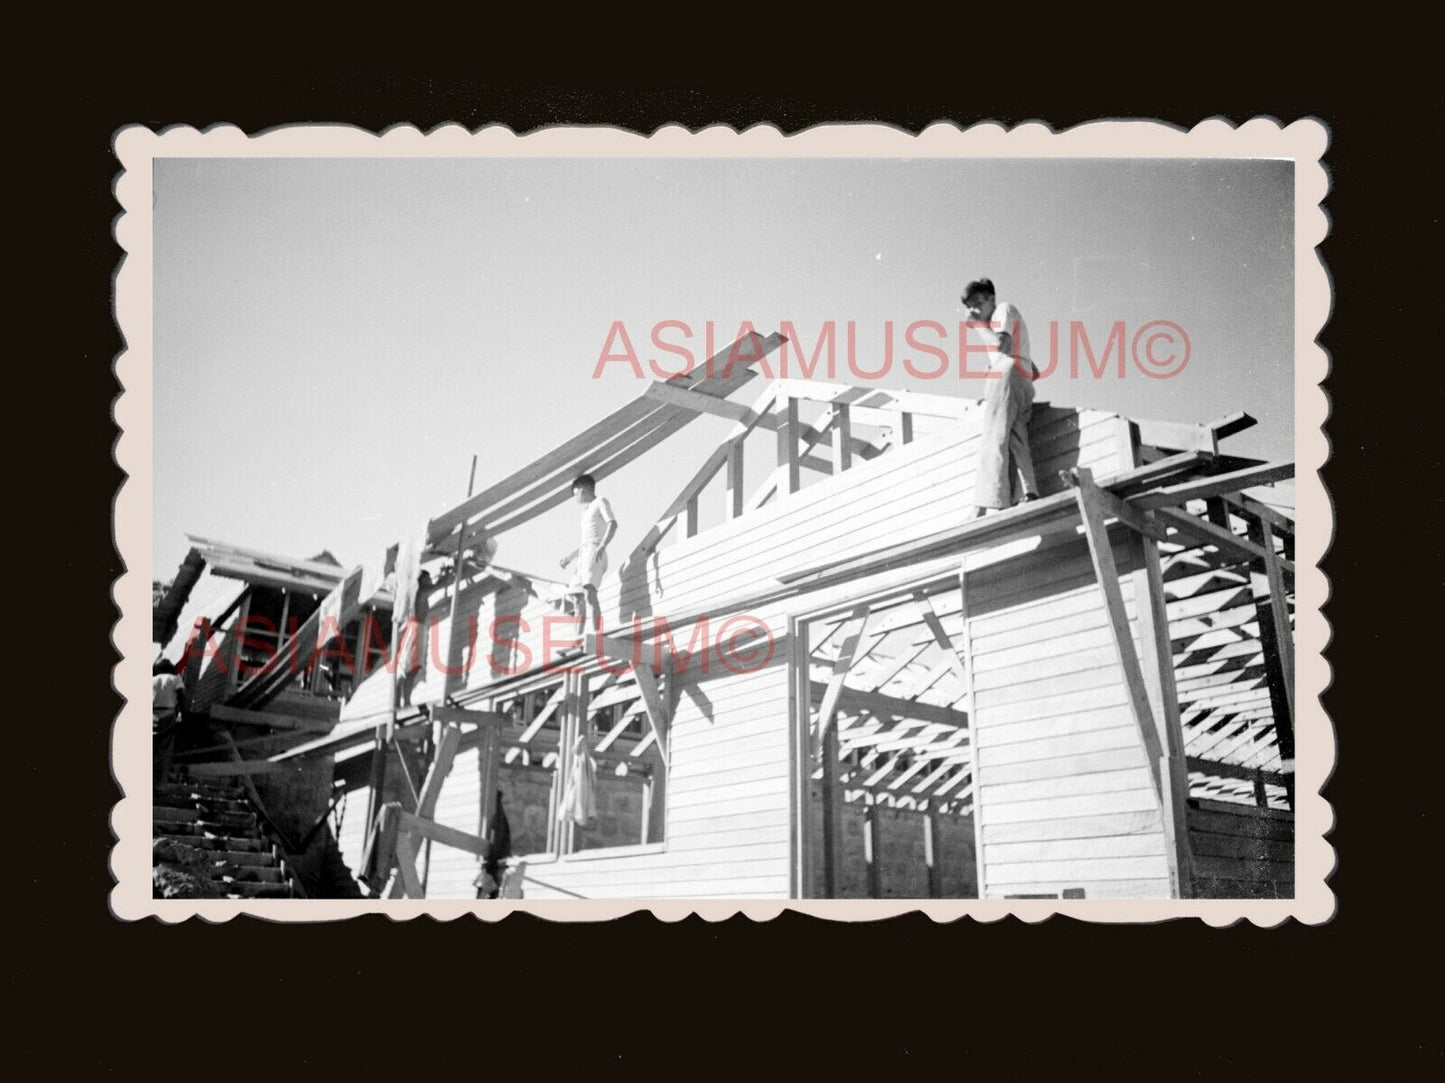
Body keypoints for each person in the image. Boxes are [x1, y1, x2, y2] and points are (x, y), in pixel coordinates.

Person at [962, 277, 1041, 519]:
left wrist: (977, 326)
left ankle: (986, 503)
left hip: (1007, 374)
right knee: (1015, 438)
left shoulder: (1002, 310)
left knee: (993, 438)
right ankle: (1029, 493)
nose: (974, 310)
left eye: (977, 303)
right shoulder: (1002, 319)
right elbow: (1034, 370)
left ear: (991, 299)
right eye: (970, 306)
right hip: (1019, 379)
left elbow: (1000, 344)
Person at [559, 473, 617, 630]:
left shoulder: (600, 501)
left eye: (575, 493)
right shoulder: (584, 513)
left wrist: (603, 545)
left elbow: (612, 524)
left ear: (582, 488)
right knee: (576, 595)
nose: (575, 498)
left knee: (589, 592)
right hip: (585, 552)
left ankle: (597, 633)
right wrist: (569, 558)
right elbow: (584, 542)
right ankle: (578, 637)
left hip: (595, 549)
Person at [152, 658, 185, 783]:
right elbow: (181, 697)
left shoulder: (151, 680)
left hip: (152, 714)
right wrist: (183, 714)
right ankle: (160, 782)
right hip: (168, 714)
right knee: (165, 749)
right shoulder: (175, 679)